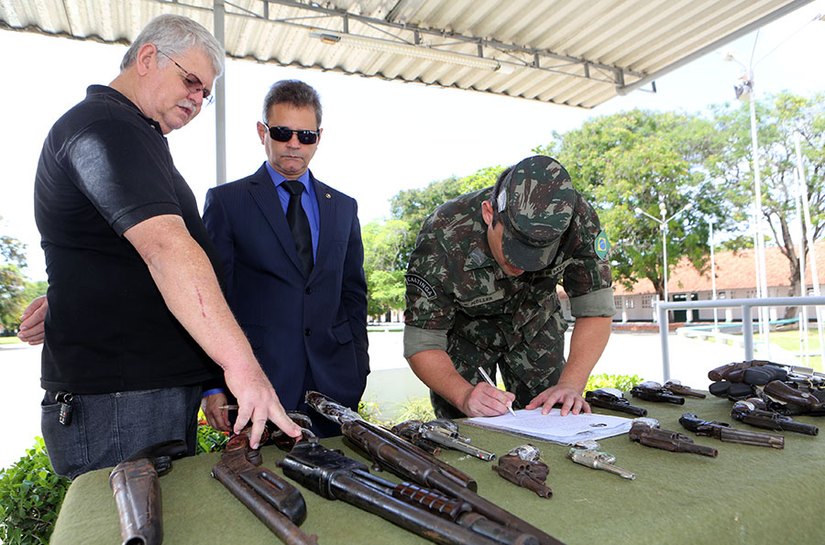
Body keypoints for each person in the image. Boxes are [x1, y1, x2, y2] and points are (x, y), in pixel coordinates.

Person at [32, 14, 299, 478]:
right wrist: (244, 370)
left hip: (138, 395)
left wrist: (75, 294)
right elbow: (166, 248)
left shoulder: (133, 133)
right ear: (149, 57)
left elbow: (107, 252)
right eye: (191, 81)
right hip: (122, 401)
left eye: (205, 93)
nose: (198, 100)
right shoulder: (109, 126)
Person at [200, 80, 369, 437]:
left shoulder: (343, 207)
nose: (294, 143)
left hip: (336, 384)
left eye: (305, 135)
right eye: (282, 132)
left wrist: (359, 369)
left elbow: (354, 295)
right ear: (263, 131)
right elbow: (211, 300)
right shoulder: (227, 203)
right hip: (259, 383)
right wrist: (213, 384)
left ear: (318, 137)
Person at [403, 154, 614, 420]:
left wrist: (571, 384)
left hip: (535, 326)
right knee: (467, 431)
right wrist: (464, 395)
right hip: (465, 338)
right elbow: (421, 341)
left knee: (553, 417)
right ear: (489, 212)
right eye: (514, 248)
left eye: (538, 254)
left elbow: (596, 310)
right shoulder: (444, 232)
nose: (522, 265)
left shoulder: (576, 219)